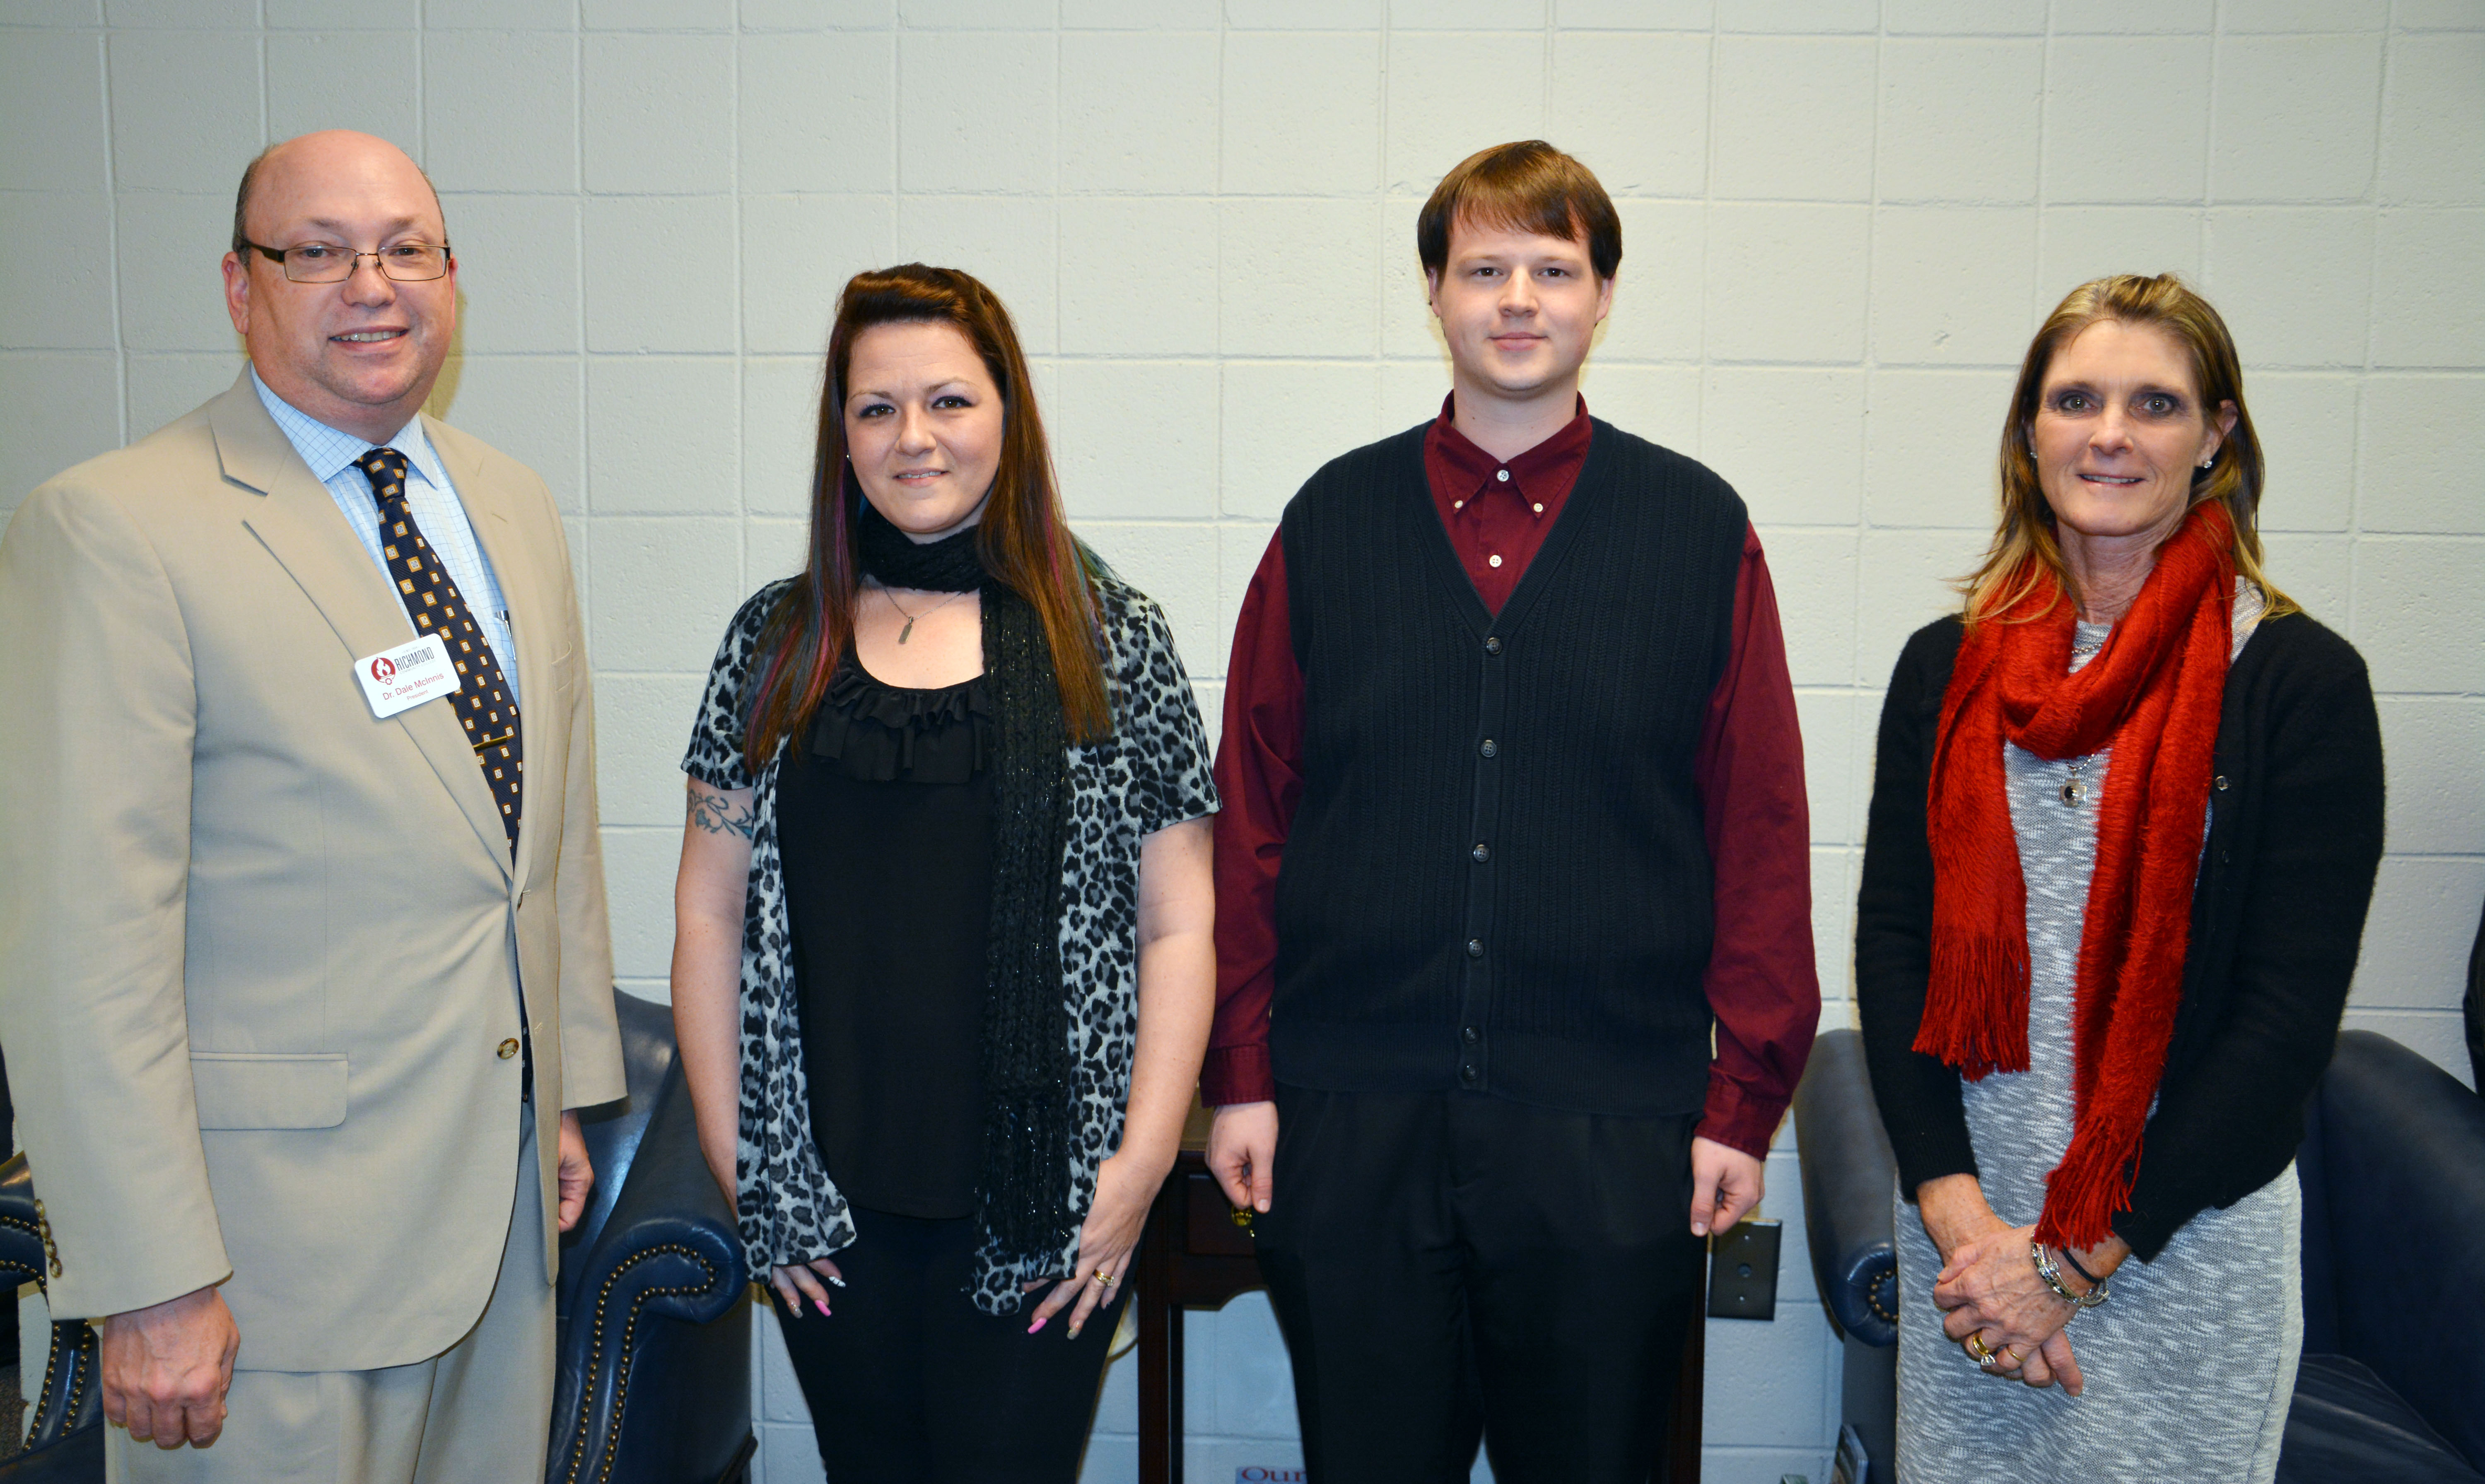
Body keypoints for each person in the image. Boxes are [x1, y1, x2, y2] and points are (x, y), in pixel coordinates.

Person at [0, 130, 623, 1482]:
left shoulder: (509, 507)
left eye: (407, 250)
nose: (373, 286)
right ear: (240, 288)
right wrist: (149, 1276)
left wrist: (563, 1090)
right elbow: (80, 952)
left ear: (453, 278)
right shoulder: (116, 529)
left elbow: (544, 843)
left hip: (500, 1228)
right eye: (319, 253)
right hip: (260, 1273)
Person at [1204, 140, 1820, 1480]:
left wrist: (1742, 1098)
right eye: (1485, 268)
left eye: (1555, 268)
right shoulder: (1331, 521)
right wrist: (1239, 1074)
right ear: (1434, 292)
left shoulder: (1701, 529)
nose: (1520, 298)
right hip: (1350, 1115)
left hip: (1611, 1124)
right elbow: (1250, 814)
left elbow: (1759, 828)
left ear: (1604, 297)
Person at [669, 263, 1218, 1482]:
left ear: (1007, 417)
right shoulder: (775, 642)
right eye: (876, 409)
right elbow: (708, 912)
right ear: (842, 435)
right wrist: (744, 1165)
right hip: (827, 1201)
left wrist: (1136, 1171)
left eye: (950, 402)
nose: (914, 438)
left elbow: (1179, 920)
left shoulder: (1112, 638)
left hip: (1048, 1204)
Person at [1855, 273, 2386, 1483]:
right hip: (1969, 1250)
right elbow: (1895, 946)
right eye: (2076, 398)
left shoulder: (2301, 686)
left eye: (2156, 402)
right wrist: (1965, 1227)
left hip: (2178, 1255)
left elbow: (2284, 1024)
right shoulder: (1944, 668)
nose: (2110, 433)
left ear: (2216, 437)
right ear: (2029, 431)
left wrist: (2070, 1267)